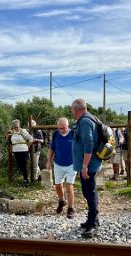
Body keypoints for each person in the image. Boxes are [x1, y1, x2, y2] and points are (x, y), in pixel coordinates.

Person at [70, 99, 102, 238]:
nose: (71, 112)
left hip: (88, 165)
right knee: (88, 191)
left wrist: (84, 166)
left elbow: (89, 144)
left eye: (72, 109)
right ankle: (92, 219)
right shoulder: (90, 118)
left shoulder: (84, 121)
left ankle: (93, 224)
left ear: (77, 109)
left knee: (89, 192)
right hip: (89, 163)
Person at [46, 117, 77, 219]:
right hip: (58, 164)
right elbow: (51, 148)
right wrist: (48, 161)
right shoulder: (55, 135)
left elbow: (80, 147)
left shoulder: (73, 134)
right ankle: (61, 201)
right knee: (58, 185)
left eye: (63, 128)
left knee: (69, 186)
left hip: (72, 164)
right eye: (59, 128)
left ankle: (71, 208)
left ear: (68, 126)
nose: (61, 130)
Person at [8, 119, 33, 187]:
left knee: (24, 165)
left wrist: (27, 147)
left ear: (19, 126)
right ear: (13, 126)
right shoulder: (12, 133)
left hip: (23, 150)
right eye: (14, 127)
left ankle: (26, 180)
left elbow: (31, 139)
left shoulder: (23, 131)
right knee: (20, 165)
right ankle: (25, 178)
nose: (16, 128)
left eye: (17, 127)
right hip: (16, 150)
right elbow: (10, 141)